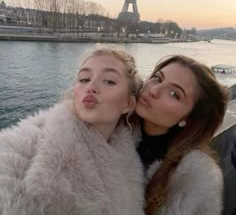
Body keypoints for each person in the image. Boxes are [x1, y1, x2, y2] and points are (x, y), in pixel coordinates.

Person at [0, 47, 145, 215]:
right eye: (84, 79)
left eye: (109, 81)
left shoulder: (131, 160)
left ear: (128, 103)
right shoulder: (24, 145)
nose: (91, 86)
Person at [135, 55, 228, 215]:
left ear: (188, 118)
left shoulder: (197, 179)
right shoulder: (108, 132)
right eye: (157, 78)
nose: (154, 90)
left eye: (174, 94)